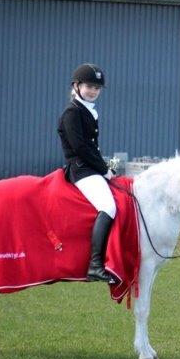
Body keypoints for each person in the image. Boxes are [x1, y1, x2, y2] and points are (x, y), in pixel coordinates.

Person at [57, 63, 117, 283]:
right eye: (89, 86)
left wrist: (106, 167)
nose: (93, 91)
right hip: (81, 170)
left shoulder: (88, 110)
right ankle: (94, 265)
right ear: (77, 85)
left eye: (97, 88)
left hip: (91, 168)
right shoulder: (72, 113)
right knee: (108, 207)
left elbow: (93, 147)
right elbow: (81, 148)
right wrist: (104, 169)